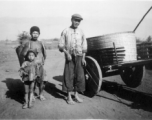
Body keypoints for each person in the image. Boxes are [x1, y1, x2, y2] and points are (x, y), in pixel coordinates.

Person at [58, 14, 87, 105]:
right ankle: (69, 96)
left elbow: (84, 45)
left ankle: (76, 95)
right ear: (71, 20)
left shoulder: (81, 31)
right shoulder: (65, 31)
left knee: (79, 76)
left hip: (79, 56)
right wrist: (67, 54)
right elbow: (61, 45)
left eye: (79, 21)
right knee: (69, 75)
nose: (77, 22)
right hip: (69, 57)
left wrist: (83, 58)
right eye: (75, 20)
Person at [23, 26, 47, 101]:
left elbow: (44, 54)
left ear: (39, 34)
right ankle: (32, 94)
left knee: (42, 80)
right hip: (32, 67)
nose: (35, 35)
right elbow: (23, 54)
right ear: (30, 33)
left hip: (40, 65)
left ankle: (41, 94)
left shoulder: (41, 43)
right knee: (31, 81)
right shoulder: (28, 43)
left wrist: (42, 62)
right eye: (34, 33)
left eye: (37, 33)